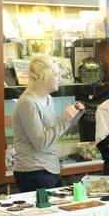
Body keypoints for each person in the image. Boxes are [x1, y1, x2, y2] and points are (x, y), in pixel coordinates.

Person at [12, 55, 84, 192]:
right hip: (33, 171)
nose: (60, 78)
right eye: (56, 74)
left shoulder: (48, 98)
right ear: (43, 77)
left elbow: (53, 134)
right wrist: (64, 120)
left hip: (49, 168)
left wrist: (74, 116)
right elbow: (40, 143)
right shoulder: (28, 103)